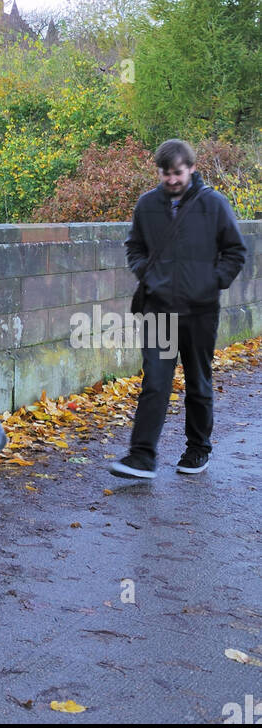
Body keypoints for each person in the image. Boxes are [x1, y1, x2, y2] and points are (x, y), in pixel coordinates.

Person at [111, 138, 246, 480]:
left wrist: (210, 283)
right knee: (155, 381)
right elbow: (134, 248)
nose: (171, 179)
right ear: (159, 172)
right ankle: (142, 457)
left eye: (178, 172)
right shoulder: (146, 205)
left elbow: (235, 251)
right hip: (159, 309)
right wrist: (148, 275)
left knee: (198, 381)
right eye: (165, 173)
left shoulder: (213, 204)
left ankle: (198, 449)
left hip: (200, 311)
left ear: (192, 169)